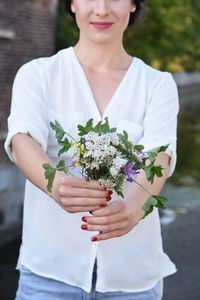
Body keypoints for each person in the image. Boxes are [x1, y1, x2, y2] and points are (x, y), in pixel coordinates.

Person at [4, 0, 179, 299]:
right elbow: (22, 141)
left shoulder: (157, 84)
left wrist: (134, 207)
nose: (101, 9)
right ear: (72, 4)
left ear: (133, 5)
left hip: (132, 277)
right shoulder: (38, 74)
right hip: (49, 275)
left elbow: (159, 155)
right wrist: (56, 184)